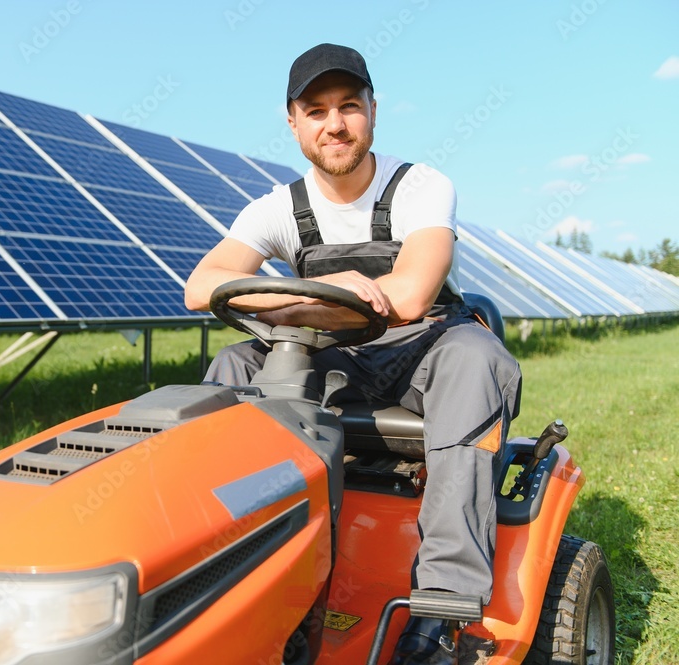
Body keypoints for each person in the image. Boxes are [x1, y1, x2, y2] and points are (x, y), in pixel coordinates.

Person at [184, 43, 522, 664]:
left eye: (348, 106)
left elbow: (414, 291)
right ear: (294, 123)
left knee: (476, 358)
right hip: (329, 360)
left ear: (372, 110)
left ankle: (440, 613)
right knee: (233, 369)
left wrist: (297, 299)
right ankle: (236, 573)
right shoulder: (276, 208)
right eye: (315, 111)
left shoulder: (420, 186)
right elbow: (202, 287)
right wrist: (323, 296)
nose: (333, 124)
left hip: (422, 356)